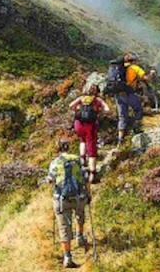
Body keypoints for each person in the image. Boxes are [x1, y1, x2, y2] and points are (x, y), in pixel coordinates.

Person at [48, 139, 90, 268]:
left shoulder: (55, 162)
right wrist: (88, 194)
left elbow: (50, 180)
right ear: (69, 147)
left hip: (61, 199)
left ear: (58, 149)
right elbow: (85, 178)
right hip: (78, 196)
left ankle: (67, 256)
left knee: (63, 227)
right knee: (80, 214)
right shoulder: (77, 159)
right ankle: (80, 236)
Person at [69, 84, 110, 188]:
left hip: (78, 124)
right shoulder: (97, 100)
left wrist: (77, 109)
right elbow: (108, 110)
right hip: (90, 126)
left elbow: (71, 106)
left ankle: (82, 160)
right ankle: (92, 174)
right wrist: (100, 111)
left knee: (82, 141)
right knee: (92, 150)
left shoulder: (81, 98)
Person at [115, 52, 156, 145]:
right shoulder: (135, 68)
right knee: (138, 110)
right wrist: (152, 73)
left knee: (122, 116)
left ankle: (120, 139)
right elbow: (146, 78)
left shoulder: (118, 67)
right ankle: (135, 128)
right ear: (134, 60)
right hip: (129, 93)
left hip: (118, 94)